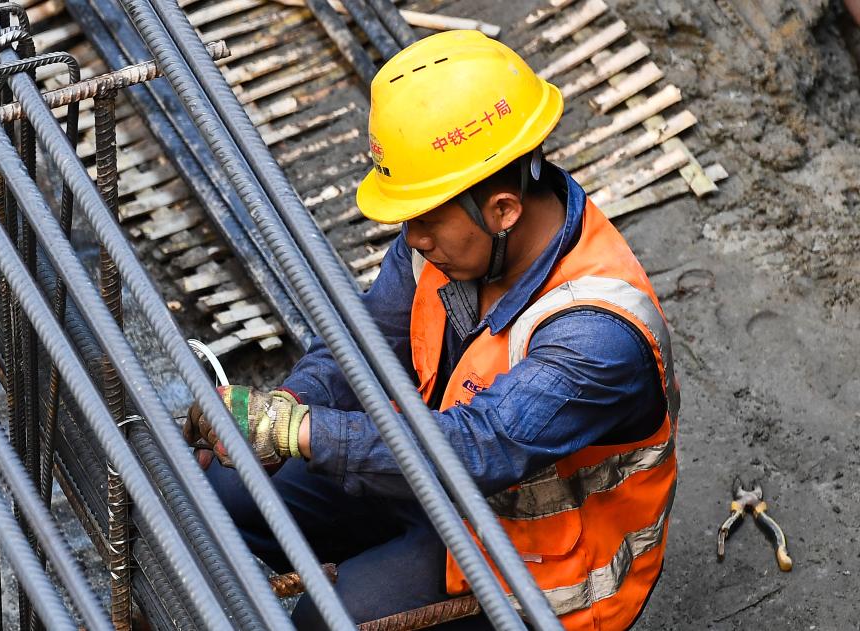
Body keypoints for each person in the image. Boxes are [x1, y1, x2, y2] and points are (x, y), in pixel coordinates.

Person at [185, 30, 678, 630]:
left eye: (426, 220)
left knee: (328, 620)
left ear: (503, 209)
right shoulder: (451, 240)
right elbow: (364, 346)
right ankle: (378, 563)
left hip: (537, 566)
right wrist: (286, 407)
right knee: (224, 488)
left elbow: (479, 447)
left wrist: (303, 432)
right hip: (439, 487)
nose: (411, 238)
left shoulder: (597, 333)